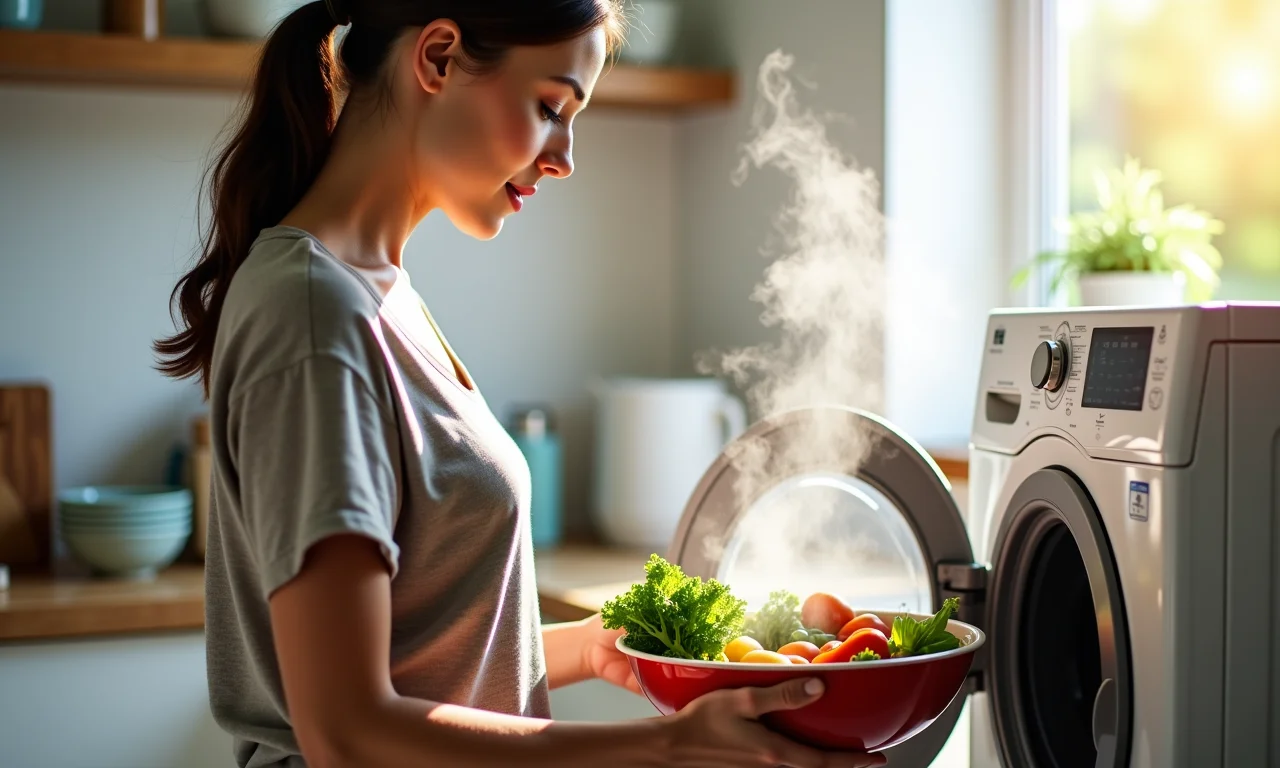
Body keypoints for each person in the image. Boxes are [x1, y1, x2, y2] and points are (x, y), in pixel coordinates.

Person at [154, 1, 886, 766]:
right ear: (437, 58)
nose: (566, 157)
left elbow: (416, 652)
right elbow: (348, 728)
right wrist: (664, 748)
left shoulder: (377, 294)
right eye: (551, 108)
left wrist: (588, 648)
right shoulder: (316, 318)